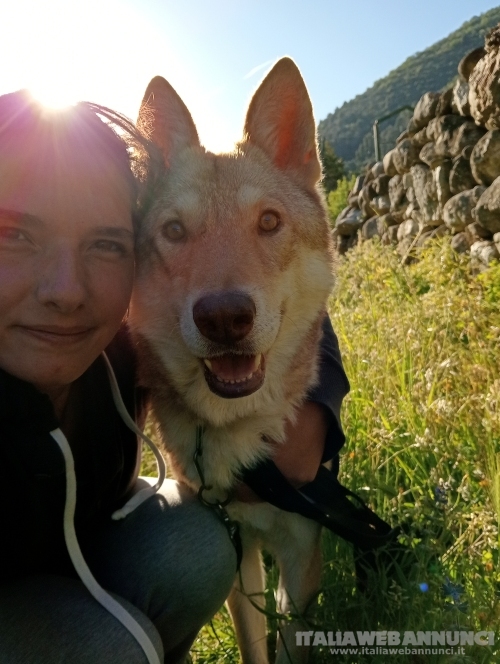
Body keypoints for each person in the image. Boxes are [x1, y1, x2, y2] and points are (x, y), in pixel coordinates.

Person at [0, 90, 349, 664]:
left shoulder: (106, 340)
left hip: (83, 548)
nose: (65, 292)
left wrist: (318, 398)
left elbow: (310, 303)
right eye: (17, 235)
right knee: (111, 647)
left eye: (104, 244)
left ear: (125, 253)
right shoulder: (108, 324)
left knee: (199, 548)